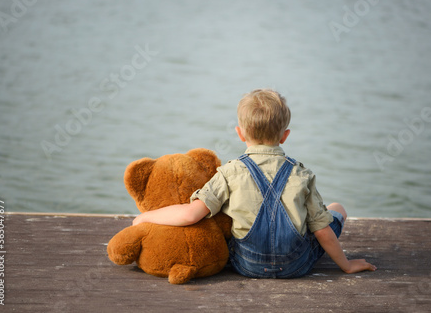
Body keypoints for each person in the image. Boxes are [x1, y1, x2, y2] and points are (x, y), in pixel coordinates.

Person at [133, 89, 376, 277]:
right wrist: (346, 264)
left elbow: (189, 215)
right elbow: (322, 230)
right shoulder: (302, 174)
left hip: (246, 265)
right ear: (285, 135)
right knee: (337, 210)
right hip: (295, 266)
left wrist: (145, 217)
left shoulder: (230, 172)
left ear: (240, 133)